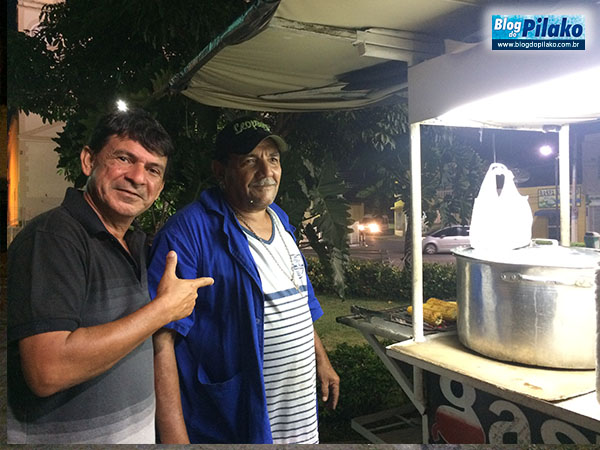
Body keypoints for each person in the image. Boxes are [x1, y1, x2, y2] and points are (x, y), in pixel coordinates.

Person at [7, 108, 214, 444]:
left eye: (153, 169)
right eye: (124, 158)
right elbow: (47, 370)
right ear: (88, 161)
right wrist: (162, 310)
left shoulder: (135, 244)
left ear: (159, 188)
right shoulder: (52, 237)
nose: (137, 177)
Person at [148, 117, 340, 444]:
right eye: (250, 161)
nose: (267, 171)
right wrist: (175, 441)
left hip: (299, 412)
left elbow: (298, 302)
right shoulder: (187, 233)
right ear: (220, 170)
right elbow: (160, 338)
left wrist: (321, 359)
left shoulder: (280, 220)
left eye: (273, 159)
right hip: (235, 418)